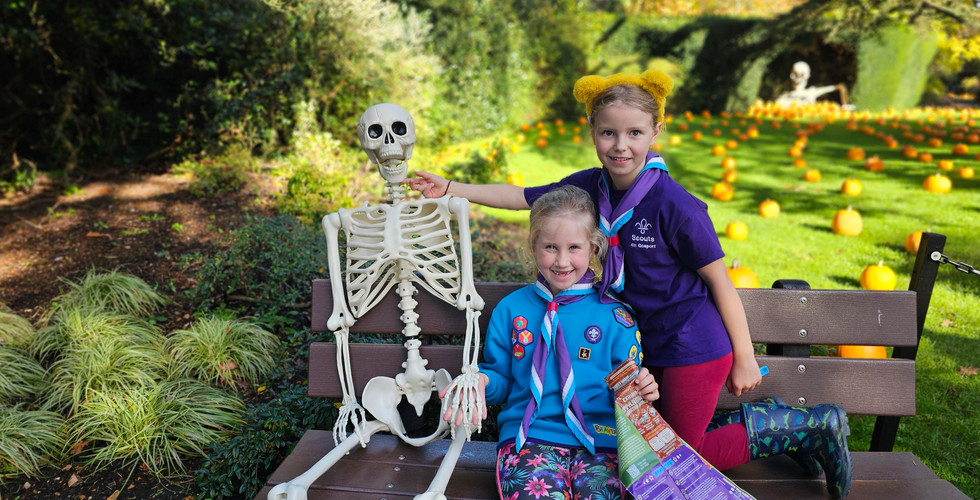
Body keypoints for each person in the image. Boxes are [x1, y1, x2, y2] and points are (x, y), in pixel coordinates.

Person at [409, 70, 853, 499]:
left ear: (656, 132)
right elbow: (523, 196)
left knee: (675, 458)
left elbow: (721, 283)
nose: (621, 146)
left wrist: (745, 358)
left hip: (689, 345)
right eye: (608, 134)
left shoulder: (676, 205)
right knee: (653, 443)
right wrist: (451, 186)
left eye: (635, 134)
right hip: (640, 344)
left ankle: (800, 428)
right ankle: (774, 425)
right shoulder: (590, 187)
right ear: (592, 131)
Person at [446, 185, 659, 500]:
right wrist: (480, 381)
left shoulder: (614, 317)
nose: (562, 261)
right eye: (550, 247)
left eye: (574, 247)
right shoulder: (510, 310)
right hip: (529, 439)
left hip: (603, 442)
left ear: (593, 247)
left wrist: (641, 390)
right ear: (533, 246)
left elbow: (626, 389)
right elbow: (502, 379)